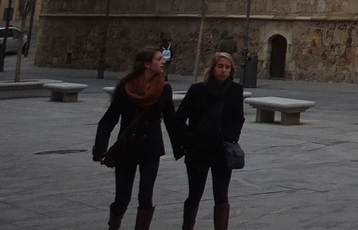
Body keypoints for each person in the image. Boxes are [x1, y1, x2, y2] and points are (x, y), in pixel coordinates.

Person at [93, 46, 182, 230]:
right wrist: (100, 148)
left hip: (151, 148)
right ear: (147, 64)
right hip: (127, 148)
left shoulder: (164, 89)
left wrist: (181, 146)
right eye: (158, 59)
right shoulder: (127, 87)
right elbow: (109, 119)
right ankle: (114, 225)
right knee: (122, 197)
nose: (163, 61)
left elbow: (171, 121)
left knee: (146, 195)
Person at [173, 51, 245, 230]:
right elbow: (180, 118)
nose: (223, 70)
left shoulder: (235, 91)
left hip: (222, 149)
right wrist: (188, 140)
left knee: (221, 194)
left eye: (227, 67)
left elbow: (238, 118)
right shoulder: (197, 90)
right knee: (195, 193)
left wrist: (230, 136)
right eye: (220, 66)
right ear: (212, 69)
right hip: (198, 149)